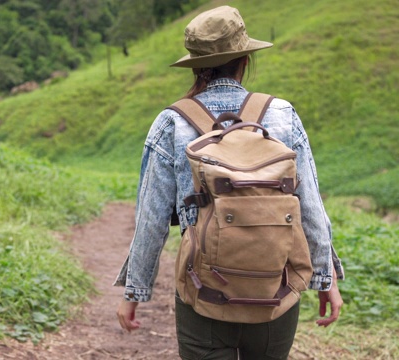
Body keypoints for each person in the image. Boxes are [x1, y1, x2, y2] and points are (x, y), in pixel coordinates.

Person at [114, 6, 344, 359]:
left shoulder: (172, 122)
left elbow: (151, 219)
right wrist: (325, 279)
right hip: (276, 293)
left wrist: (135, 291)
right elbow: (309, 204)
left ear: (194, 64)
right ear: (245, 58)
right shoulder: (282, 114)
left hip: (202, 291)